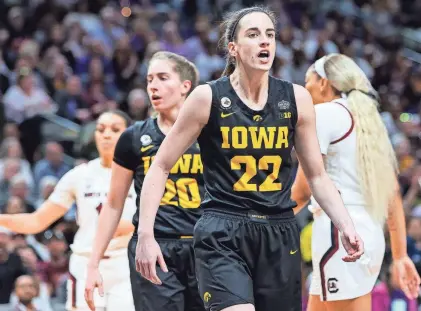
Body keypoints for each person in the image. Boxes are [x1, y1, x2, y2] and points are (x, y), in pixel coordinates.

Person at [134, 6, 364, 311]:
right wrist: (145, 235)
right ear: (234, 48)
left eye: (269, 34)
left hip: (279, 231)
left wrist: (345, 223)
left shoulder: (296, 98)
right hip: (223, 229)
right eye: (253, 35)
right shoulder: (207, 98)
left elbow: (317, 176)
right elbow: (160, 165)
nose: (265, 41)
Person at [291, 53, 421, 311]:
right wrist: (400, 255)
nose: (305, 90)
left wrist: (257, 218)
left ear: (324, 83)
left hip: (340, 237)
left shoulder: (324, 114)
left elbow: (303, 190)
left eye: (308, 81)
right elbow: (392, 194)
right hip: (367, 236)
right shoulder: (368, 122)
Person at [84, 51, 205, 311]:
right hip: (154, 246)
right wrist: (93, 264)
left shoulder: (210, 135)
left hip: (205, 245)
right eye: (150, 79)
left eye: (163, 78)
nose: (153, 86)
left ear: (186, 86)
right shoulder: (133, 138)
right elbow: (114, 204)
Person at [0, 110, 137, 311]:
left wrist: (129, 227)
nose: (106, 135)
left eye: (115, 129)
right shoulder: (79, 175)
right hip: (85, 263)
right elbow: (37, 221)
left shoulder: (142, 174)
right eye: (100, 129)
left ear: (129, 134)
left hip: (125, 264)